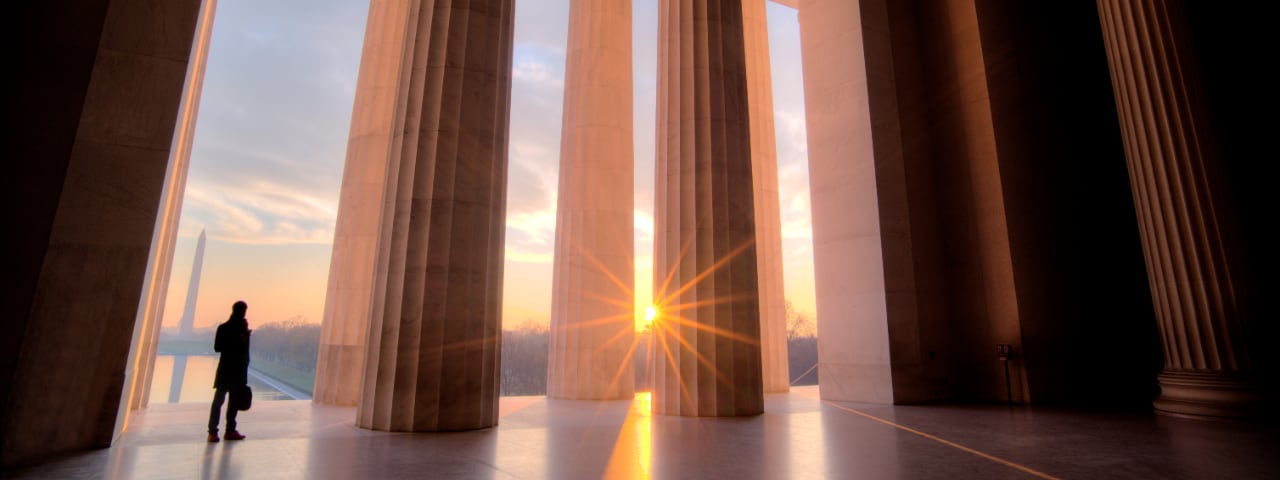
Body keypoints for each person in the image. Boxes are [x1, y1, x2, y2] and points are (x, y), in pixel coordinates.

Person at [208, 300, 251, 442]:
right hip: (229, 369)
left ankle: (227, 431)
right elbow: (218, 347)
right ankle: (214, 431)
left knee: (231, 402)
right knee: (219, 401)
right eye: (243, 311)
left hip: (234, 370)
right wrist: (238, 339)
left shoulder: (239, 328)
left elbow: (244, 352)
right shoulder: (226, 328)